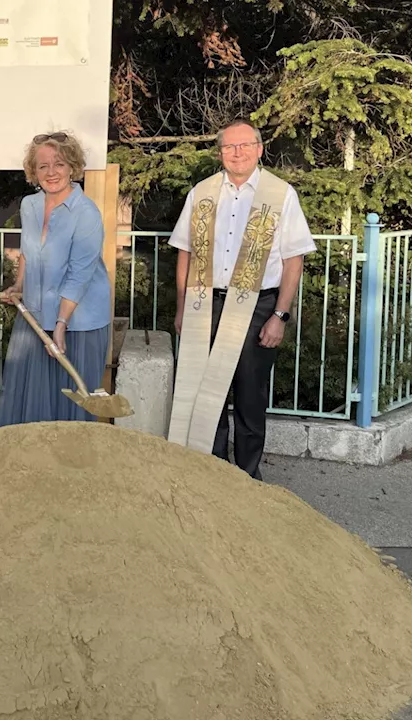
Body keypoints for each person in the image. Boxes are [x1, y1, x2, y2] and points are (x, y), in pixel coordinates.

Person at [166, 118, 315, 479]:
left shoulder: (280, 194)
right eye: (229, 147)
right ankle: (210, 473)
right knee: (205, 394)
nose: (237, 153)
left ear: (259, 149)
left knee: (249, 395)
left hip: (258, 307)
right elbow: (184, 251)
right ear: (220, 153)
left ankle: (248, 479)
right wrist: (182, 307)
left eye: (245, 145)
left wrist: (280, 315)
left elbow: (294, 258)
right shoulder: (201, 192)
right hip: (206, 304)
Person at [0, 130, 113, 425]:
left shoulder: (86, 213)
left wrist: (60, 325)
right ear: (33, 172)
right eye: (43, 166)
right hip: (35, 317)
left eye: (59, 164)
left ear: (72, 167)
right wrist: (19, 286)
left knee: (69, 405)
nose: (51, 172)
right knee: (32, 404)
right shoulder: (30, 205)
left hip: (77, 323)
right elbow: (27, 252)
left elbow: (79, 275)